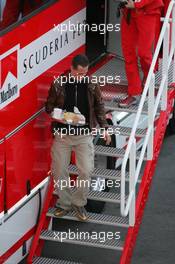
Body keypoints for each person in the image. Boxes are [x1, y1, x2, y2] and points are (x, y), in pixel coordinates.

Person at [45, 54, 111, 221]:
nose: (82, 77)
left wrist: (105, 128)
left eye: (85, 73)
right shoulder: (59, 83)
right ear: (72, 69)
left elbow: (99, 106)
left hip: (84, 135)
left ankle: (79, 203)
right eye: (79, 73)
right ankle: (64, 203)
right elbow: (49, 107)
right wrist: (60, 115)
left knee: (87, 170)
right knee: (59, 170)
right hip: (63, 135)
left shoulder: (91, 84)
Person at [119, 0, 164, 107]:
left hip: (148, 12)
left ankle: (148, 81)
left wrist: (136, 4)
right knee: (128, 54)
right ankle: (134, 93)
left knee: (144, 53)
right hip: (128, 12)